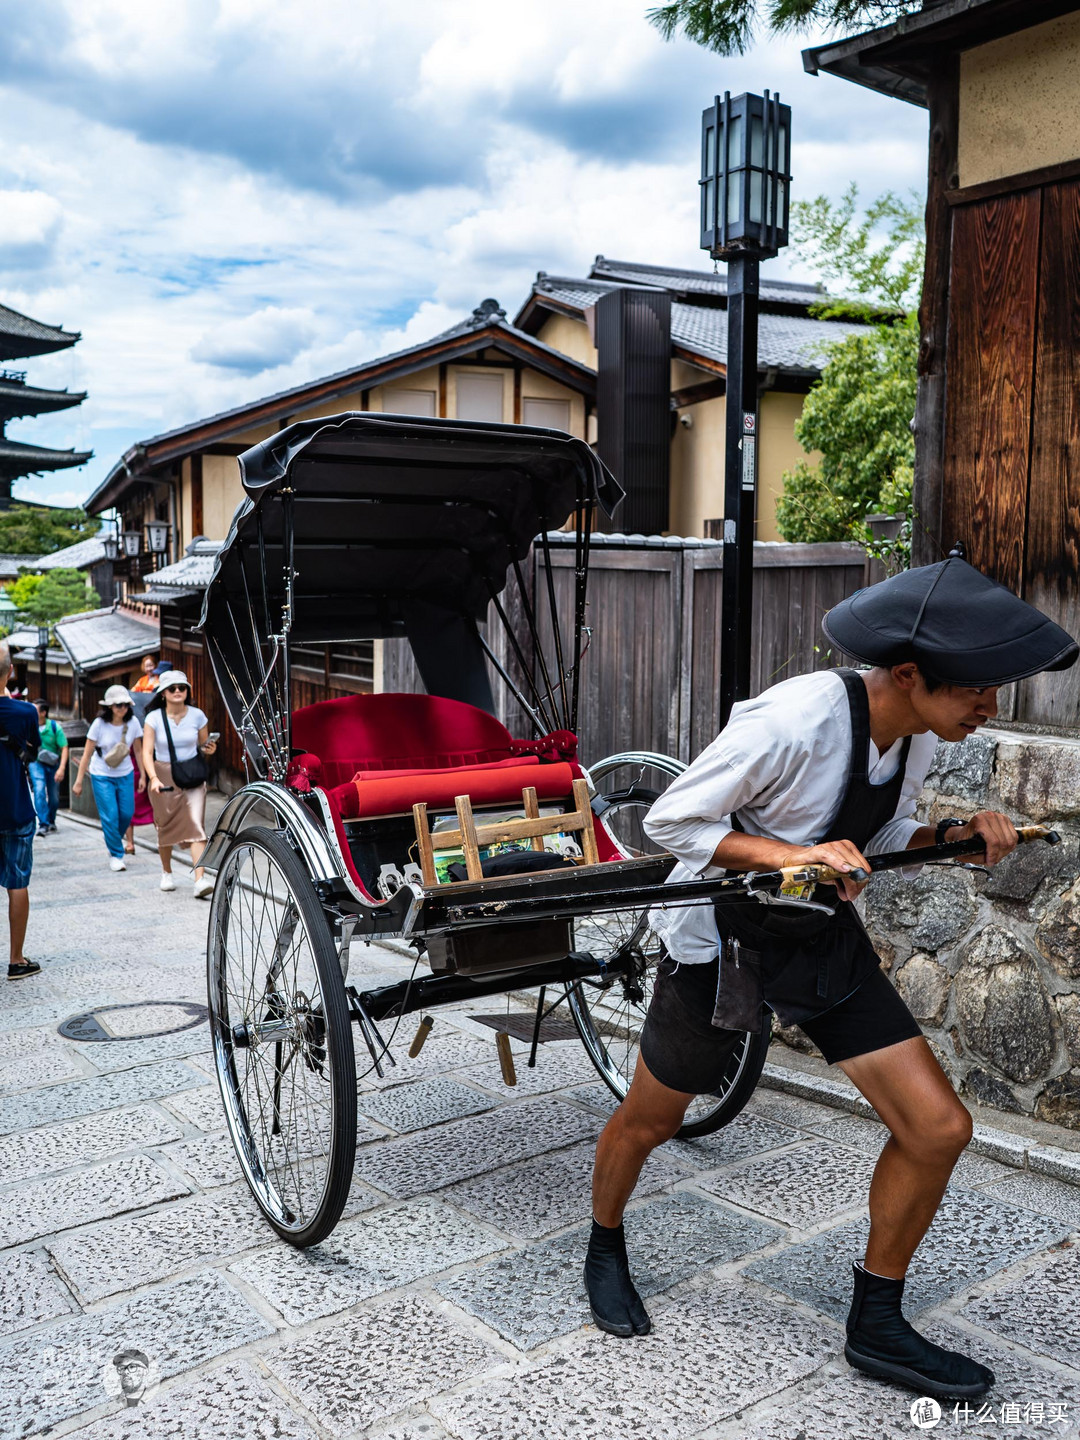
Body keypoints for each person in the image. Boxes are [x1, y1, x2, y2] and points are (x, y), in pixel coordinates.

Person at [584, 557, 1078, 1401]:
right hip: (721, 938)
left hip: (814, 933)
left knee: (938, 1129)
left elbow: (874, 841)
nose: (990, 708)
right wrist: (790, 853)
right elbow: (669, 818)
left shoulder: (916, 731)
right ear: (910, 675)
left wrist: (959, 835)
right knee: (653, 1118)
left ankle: (876, 1325)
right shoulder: (797, 718)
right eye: (979, 691)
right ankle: (603, 1241)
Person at [141, 670, 217, 898]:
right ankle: (166, 871)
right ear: (163, 693)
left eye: (182, 688)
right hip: (163, 774)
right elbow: (146, 752)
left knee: (197, 825)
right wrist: (153, 777)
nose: (177, 692)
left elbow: (204, 746)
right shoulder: (153, 718)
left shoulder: (197, 715)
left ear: (187, 691)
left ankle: (199, 878)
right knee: (164, 825)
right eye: (172, 688)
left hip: (192, 774)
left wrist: (210, 750)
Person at [0, 640, 41, 979]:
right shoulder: (26, 712)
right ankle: (16, 959)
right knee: (17, 882)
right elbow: (34, 752)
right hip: (14, 807)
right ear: (10, 672)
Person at [72, 686, 144, 872]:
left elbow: (138, 750)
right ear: (110, 706)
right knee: (110, 815)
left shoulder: (133, 722)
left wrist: (143, 774)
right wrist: (79, 780)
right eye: (118, 704)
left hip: (125, 772)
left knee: (127, 813)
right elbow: (86, 754)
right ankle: (116, 854)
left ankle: (114, 842)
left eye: (126, 704)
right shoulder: (99, 724)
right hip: (101, 774)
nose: (122, 708)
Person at [29, 699, 68, 835]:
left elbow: (64, 747)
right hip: (36, 762)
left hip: (53, 764)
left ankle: (51, 820)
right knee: (39, 790)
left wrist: (61, 768)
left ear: (43, 713)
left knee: (54, 797)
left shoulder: (54, 727)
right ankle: (43, 823)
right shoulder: (30, 726)